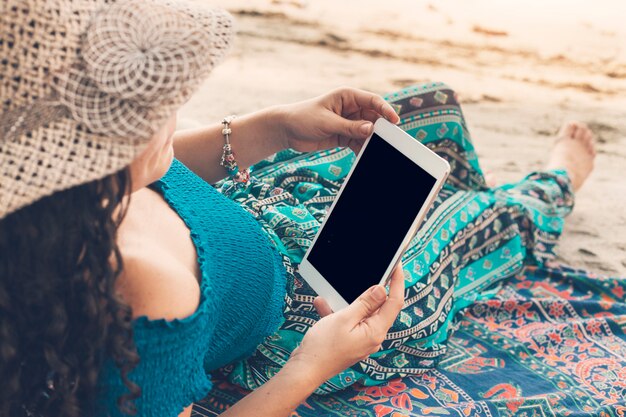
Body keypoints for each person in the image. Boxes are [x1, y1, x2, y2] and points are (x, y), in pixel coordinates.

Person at [0, 1, 596, 417]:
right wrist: (314, 365)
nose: (170, 112)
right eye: (144, 110)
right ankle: (554, 182)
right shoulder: (146, 284)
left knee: (407, 121)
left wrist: (275, 126)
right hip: (298, 321)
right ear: (82, 159)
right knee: (465, 226)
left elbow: (160, 164)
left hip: (252, 213)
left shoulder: (59, 201)